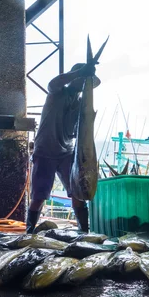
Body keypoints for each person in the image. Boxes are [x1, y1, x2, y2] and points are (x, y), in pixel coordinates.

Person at [26, 63, 99, 234]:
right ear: (74, 77)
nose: (81, 84)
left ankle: (84, 231)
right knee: (39, 196)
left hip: (67, 153)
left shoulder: (81, 103)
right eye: (79, 79)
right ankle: (29, 231)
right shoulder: (58, 93)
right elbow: (53, 83)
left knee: (77, 193)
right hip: (45, 151)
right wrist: (79, 73)